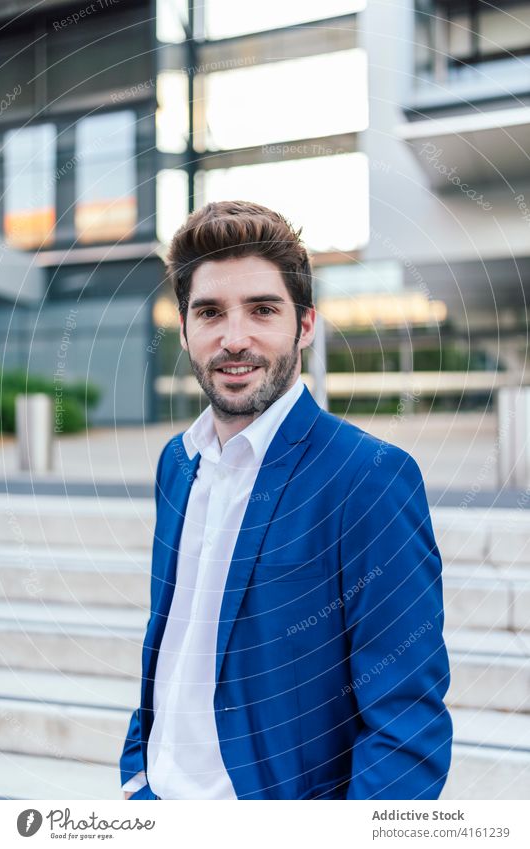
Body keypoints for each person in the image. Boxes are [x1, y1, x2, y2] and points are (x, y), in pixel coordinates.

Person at [120, 200, 452, 800]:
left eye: (262, 310)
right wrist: (136, 777)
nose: (234, 337)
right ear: (187, 327)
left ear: (304, 325)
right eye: (211, 312)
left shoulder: (368, 477)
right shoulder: (178, 463)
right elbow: (174, 640)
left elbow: (407, 728)